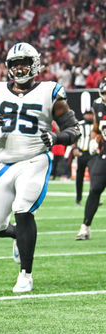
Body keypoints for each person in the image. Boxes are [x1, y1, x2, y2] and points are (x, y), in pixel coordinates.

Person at [0, 42, 80, 293]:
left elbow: (73, 129)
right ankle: (18, 237)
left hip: (34, 159)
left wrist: (56, 139)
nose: (19, 68)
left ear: (35, 64)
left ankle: (26, 274)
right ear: (8, 68)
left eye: (24, 62)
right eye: (15, 64)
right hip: (4, 163)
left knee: (23, 209)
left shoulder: (50, 91)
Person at [75, 79, 106, 240]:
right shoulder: (98, 105)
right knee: (95, 189)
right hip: (104, 153)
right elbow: (96, 128)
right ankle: (85, 226)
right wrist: (95, 139)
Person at [72, 96, 96, 205]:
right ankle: (78, 198)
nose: (89, 116)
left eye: (91, 114)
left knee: (94, 176)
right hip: (82, 152)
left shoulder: (96, 125)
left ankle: (94, 197)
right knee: (79, 177)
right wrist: (75, 149)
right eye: (88, 114)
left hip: (93, 154)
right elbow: (74, 138)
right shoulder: (79, 124)